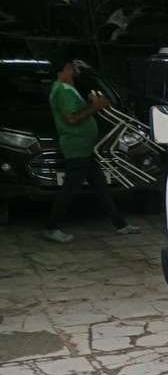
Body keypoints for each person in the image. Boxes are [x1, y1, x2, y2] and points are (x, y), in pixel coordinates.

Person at [45, 55, 140, 243]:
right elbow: (72, 118)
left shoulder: (68, 89)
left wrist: (92, 104)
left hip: (85, 147)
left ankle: (120, 224)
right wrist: (94, 107)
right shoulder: (62, 91)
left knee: (100, 186)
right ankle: (51, 227)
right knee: (70, 189)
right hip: (77, 147)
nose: (75, 71)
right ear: (65, 69)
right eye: (72, 68)